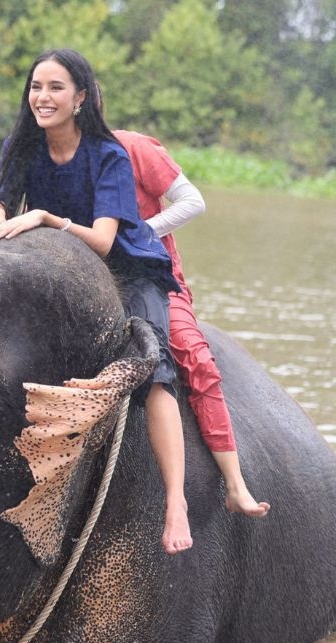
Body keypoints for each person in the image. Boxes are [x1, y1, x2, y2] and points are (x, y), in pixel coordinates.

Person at [0, 48, 191, 554]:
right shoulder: (20, 146)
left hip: (125, 273)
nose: (43, 97)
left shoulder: (107, 154)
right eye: (36, 87)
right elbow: (2, 203)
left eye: (56, 88)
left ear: (81, 98)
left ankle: (176, 501)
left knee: (156, 374)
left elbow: (106, 241)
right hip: (56, 272)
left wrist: (45, 218)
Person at [112, 127, 270, 519]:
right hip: (94, 274)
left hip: (155, 277)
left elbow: (192, 201)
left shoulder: (134, 148)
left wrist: (137, 234)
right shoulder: (60, 158)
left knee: (196, 360)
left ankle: (234, 484)